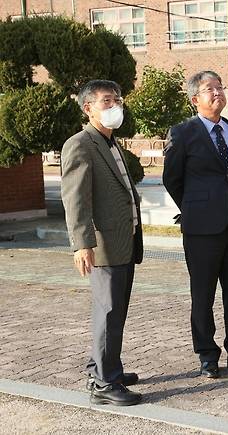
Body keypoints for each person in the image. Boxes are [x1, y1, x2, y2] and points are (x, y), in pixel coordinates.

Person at [163, 71, 228, 378]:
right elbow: (172, 179)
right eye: (210, 89)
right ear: (195, 99)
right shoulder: (183, 133)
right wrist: (194, 208)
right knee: (202, 295)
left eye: (220, 87)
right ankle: (207, 356)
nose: (217, 92)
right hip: (201, 229)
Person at [61, 80, 143, 406]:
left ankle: (105, 367)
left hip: (123, 241)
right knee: (108, 313)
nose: (115, 106)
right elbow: (75, 199)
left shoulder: (110, 142)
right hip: (103, 246)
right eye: (106, 101)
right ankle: (104, 384)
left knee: (114, 312)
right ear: (88, 108)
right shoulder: (80, 144)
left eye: (117, 100)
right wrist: (82, 243)